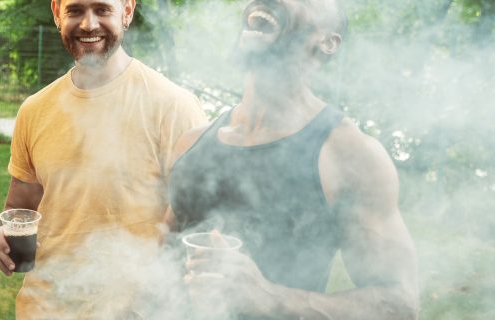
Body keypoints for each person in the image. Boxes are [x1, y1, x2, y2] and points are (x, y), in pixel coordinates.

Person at [167, 0, 419, 318]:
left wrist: (270, 297)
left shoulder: (349, 155)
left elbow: (400, 303)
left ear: (328, 42)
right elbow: (162, 252)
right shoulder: (193, 141)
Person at [0, 0, 207, 317]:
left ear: (127, 11)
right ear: (56, 11)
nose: (88, 25)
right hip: (45, 307)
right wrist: (2, 237)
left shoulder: (174, 106)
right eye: (75, 11)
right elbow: (22, 209)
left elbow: (196, 224)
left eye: (102, 10)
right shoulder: (34, 109)